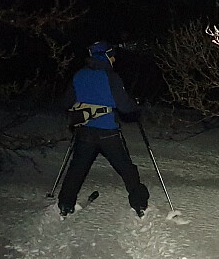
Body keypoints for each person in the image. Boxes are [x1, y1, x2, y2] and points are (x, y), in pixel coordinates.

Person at [57, 41, 150, 216]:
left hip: (84, 131)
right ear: (106, 56)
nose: (114, 59)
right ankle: (139, 204)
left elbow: (66, 102)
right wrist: (135, 105)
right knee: (126, 168)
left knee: (77, 168)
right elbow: (124, 106)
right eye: (112, 56)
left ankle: (65, 204)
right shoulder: (111, 77)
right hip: (108, 132)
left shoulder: (79, 75)